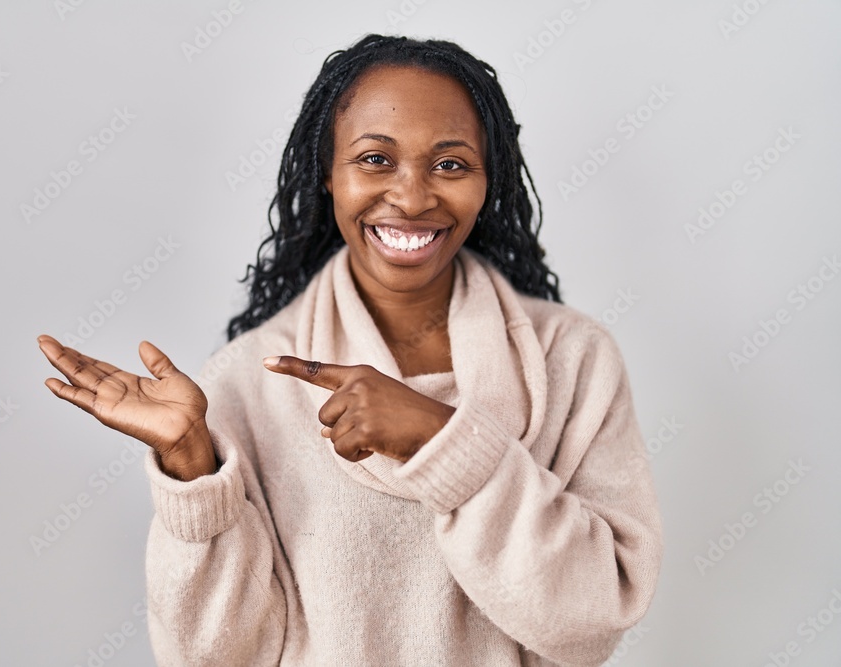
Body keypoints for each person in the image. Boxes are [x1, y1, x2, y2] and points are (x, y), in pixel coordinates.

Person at [38, 34, 662, 667]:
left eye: (450, 164)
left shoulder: (574, 360)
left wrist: (441, 439)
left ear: (488, 181)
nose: (413, 198)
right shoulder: (249, 382)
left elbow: (593, 620)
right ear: (327, 176)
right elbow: (221, 657)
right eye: (375, 160)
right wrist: (193, 469)